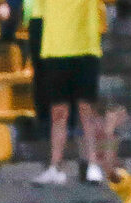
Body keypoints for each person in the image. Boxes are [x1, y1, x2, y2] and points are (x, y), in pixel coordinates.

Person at [33, 0, 106, 184]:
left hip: (85, 49)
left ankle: (93, 164)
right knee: (58, 113)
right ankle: (55, 167)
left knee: (87, 110)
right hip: (55, 50)